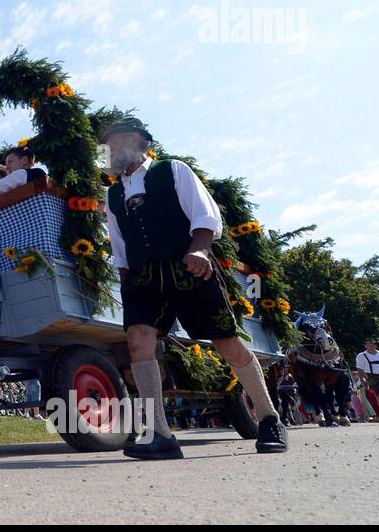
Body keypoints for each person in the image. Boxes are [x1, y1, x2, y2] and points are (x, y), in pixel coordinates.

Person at [102, 117, 287, 459]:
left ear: (137, 142)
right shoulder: (113, 194)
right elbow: (119, 246)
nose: (109, 150)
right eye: (107, 145)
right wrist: (128, 283)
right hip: (143, 276)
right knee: (138, 339)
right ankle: (160, 434)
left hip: (187, 265)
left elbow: (205, 213)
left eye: (115, 142)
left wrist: (199, 249)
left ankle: (269, 418)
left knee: (226, 343)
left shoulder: (172, 170)